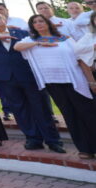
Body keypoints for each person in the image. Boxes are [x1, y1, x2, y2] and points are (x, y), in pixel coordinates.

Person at [0, 13, 64, 152]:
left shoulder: (21, 33)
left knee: (41, 108)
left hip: (28, 75)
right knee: (19, 109)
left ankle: (53, 140)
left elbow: (37, 39)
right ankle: (33, 139)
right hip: (6, 78)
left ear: (5, 20)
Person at [15, 14, 96, 159]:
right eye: (34, 22)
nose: (38, 24)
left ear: (48, 23)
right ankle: (85, 149)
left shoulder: (65, 39)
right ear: (32, 26)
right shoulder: (31, 40)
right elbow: (17, 46)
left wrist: (91, 81)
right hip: (53, 84)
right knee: (70, 116)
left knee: (89, 113)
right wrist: (38, 43)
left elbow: (81, 59)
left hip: (75, 81)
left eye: (41, 21)